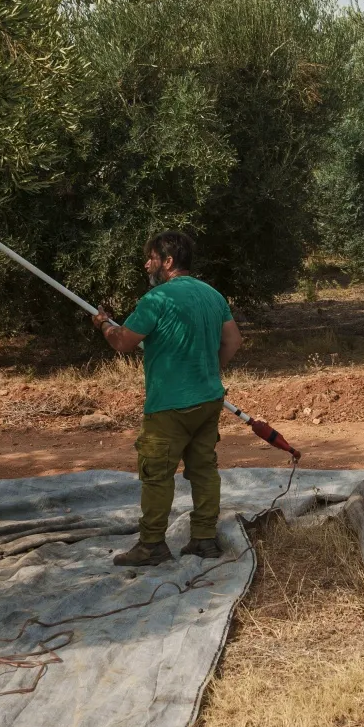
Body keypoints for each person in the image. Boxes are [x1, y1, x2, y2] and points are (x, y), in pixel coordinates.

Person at [93, 231, 243, 568]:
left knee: (157, 473)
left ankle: (152, 545)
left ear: (168, 261)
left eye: (151, 258)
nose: (147, 264)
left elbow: (123, 343)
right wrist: (207, 371)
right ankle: (204, 539)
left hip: (169, 406)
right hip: (208, 400)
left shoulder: (157, 300)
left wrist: (104, 324)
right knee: (204, 470)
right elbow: (233, 341)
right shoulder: (213, 296)